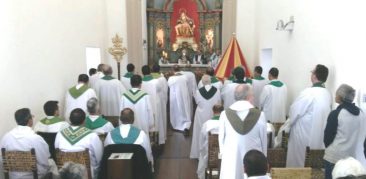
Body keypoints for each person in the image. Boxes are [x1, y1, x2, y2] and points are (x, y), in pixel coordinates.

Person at [277, 64, 332, 167]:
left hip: (304, 134)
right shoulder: (327, 94)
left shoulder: (308, 92)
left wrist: (286, 128)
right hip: (319, 136)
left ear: (314, 76)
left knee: (299, 162)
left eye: (312, 72)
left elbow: (294, 112)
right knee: (313, 165)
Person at [219, 84, 267, 179]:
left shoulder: (224, 114)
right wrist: (264, 157)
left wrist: (223, 154)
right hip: (253, 160)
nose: (253, 98)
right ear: (248, 97)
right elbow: (263, 139)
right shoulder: (260, 115)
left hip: (231, 157)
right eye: (252, 95)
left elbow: (221, 139)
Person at [324, 84, 366, 179]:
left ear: (340, 97)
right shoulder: (362, 114)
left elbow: (327, 137)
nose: (335, 96)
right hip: (352, 158)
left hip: (334, 157)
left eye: (336, 94)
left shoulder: (336, 114)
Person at [0, 108, 54, 179]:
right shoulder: (35, 138)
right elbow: (44, 161)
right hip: (33, 176)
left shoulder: (6, 137)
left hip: (12, 176)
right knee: (52, 164)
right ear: (29, 120)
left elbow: (2, 160)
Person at [55, 108, 103, 178]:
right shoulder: (92, 135)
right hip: (86, 175)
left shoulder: (60, 134)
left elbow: (57, 151)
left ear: (69, 119)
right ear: (84, 120)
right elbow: (99, 158)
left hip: (65, 174)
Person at [190, 75, 221, 159]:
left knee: (199, 133)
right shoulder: (217, 91)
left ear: (202, 82)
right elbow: (219, 103)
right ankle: (213, 155)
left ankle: (198, 154)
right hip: (213, 114)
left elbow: (197, 102)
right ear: (210, 82)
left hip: (201, 115)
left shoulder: (198, 92)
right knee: (212, 134)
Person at [141, 65, 166, 144]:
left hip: (144, 104)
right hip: (155, 103)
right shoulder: (156, 81)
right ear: (150, 71)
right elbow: (160, 89)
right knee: (157, 120)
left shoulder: (140, 81)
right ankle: (158, 140)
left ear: (142, 72)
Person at [197, 104, 223, 179]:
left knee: (203, 154)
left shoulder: (206, 124)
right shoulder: (226, 124)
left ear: (213, 111)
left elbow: (201, 142)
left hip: (209, 155)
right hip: (222, 156)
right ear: (222, 112)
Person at [168, 65, 192, 135]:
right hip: (184, 96)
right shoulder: (185, 77)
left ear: (173, 70)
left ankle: (176, 125)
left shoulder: (171, 78)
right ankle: (186, 126)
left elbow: (169, 85)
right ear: (179, 69)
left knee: (176, 111)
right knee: (184, 110)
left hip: (175, 97)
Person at [151, 64, 169, 142]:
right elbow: (165, 90)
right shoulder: (162, 79)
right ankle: (162, 136)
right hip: (160, 100)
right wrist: (165, 100)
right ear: (159, 70)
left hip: (150, 100)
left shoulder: (149, 78)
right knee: (161, 117)